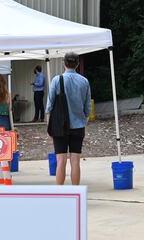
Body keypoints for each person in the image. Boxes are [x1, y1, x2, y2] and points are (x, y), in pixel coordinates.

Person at [45, 52, 91, 186]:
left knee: (61, 160)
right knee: (75, 160)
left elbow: (49, 106)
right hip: (78, 126)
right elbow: (88, 107)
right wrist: (84, 121)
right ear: (77, 64)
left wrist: (50, 128)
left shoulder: (56, 80)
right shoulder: (84, 81)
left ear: (64, 63)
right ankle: (75, 192)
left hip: (59, 127)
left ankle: (60, 194)